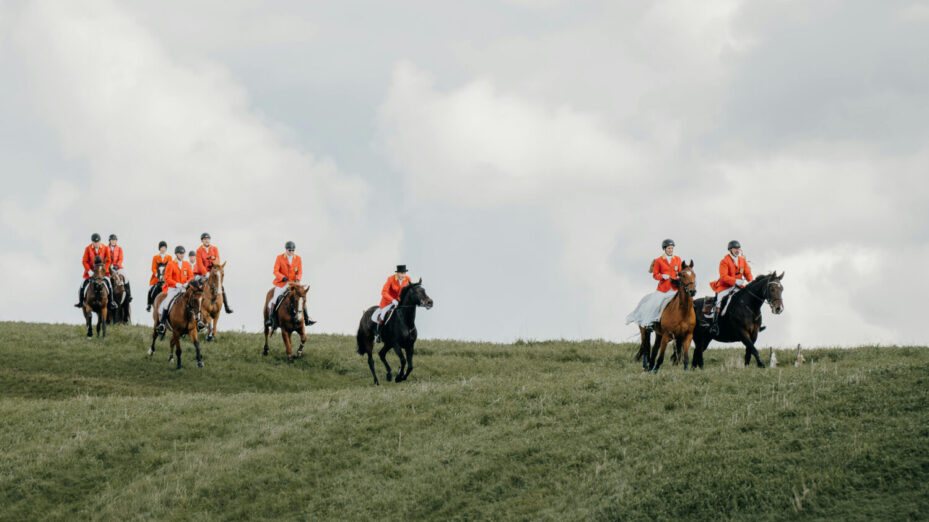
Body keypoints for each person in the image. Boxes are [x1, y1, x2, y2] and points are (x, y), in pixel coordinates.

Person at [625, 239, 682, 328]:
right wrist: (662, 276)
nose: (670, 250)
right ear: (664, 249)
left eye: (672, 248)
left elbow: (680, 272)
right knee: (655, 304)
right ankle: (650, 322)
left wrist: (679, 277)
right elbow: (655, 275)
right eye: (668, 248)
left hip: (675, 287)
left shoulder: (678, 259)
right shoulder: (659, 260)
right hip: (663, 289)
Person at [708, 240, 754, 335]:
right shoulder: (724, 261)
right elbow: (723, 276)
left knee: (749, 298)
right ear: (730, 250)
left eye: (738, 249)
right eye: (735, 249)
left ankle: (753, 321)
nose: (737, 250)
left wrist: (751, 281)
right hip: (725, 286)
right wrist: (735, 281)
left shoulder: (742, 260)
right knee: (719, 300)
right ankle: (714, 324)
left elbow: (747, 273)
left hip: (738, 286)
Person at [266, 241, 315, 328]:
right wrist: (282, 277)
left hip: (294, 284)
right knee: (275, 298)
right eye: (289, 250)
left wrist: (297, 279)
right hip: (282, 283)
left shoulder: (298, 258)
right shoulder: (279, 258)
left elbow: (300, 271)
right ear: (286, 249)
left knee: (301, 297)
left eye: (293, 250)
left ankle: (307, 319)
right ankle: (270, 318)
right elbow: (275, 271)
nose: (291, 252)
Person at [156, 246, 194, 334]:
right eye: (180, 254)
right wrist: (176, 284)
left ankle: (197, 321)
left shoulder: (186, 264)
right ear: (176, 254)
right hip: (173, 289)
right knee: (167, 302)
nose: (182, 255)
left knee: (194, 300)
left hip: (184, 288)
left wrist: (187, 283)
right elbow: (167, 278)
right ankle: (162, 324)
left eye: (183, 254)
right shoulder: (171, 264)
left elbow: (191, 276)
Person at [371, 265, 412, 342]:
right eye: (401, 273)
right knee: (383, 315)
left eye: (404, 273)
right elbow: (384, 292)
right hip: (388, 302)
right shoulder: (391, 279)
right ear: (397, 273)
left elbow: (409, 291)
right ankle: (378, 334)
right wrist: (392, 300)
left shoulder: (408, 279)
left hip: (400, 302)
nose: (403, 275)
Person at [75, 233, 116, 309]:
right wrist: (89, 271)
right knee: (82, 285)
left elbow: (108, 260)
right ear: (92, 242)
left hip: (102, 272)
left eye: (98, 242)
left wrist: (103, 269)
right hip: (91, 272)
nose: (97, 244)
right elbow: (84, 261)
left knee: (109, 284)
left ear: (100, 241)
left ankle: (111, 302)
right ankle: (80, 302)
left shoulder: (105, 248)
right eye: (95, 242)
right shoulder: (87, 249)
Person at [195, 232, 233, 313]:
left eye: (208, 239)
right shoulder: (199, 250)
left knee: (221, 287)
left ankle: (226, 306)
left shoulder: (214, 248)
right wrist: (205, 273)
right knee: (198, 287)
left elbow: (217, 260)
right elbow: (199, 264)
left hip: (213, 273)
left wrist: (213, 271)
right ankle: (197, 307)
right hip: (203, 274)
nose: (207, 241)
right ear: (202, 241)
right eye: (205, 239)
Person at [147, 241, 172, 312]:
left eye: (164, 248)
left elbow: (170, 268)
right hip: (156, 278)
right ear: (159, 248)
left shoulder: (169, 257)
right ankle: (149, 304)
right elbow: (153, 268)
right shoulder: (155, 257)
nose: (163, 249)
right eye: (162, 248)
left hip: (166, 278)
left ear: (166, 249)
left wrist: (165, 276)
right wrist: (157, 275)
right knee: (151, 289)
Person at [107, 234, 132, 304]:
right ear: (110, 241)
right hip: (109, 268)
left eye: (114, 240)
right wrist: (109, 266)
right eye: (112, 240)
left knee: (126, 278)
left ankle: (129, 295)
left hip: (118, 267)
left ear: (116, 241)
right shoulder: (106, 248)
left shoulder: (119, 248)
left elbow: (121, 258)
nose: (113, 241)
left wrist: (117, 266)